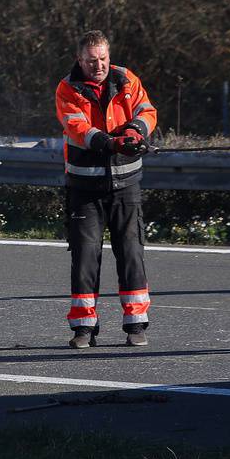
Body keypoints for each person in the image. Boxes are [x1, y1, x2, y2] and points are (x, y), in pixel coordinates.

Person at [55, 31, 158, 347]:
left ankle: (136, 324)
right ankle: (84, 327)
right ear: (79, 60)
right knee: (85, 257)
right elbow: (77, 127)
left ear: (108, 57)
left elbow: (146, 111)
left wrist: (135, 131)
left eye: (102, 59)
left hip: (126, 185)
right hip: (85, 188)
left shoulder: (127, 79)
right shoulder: (67, 88)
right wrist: (109, 142)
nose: (98, 66)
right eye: (90, 61)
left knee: (131, 253)